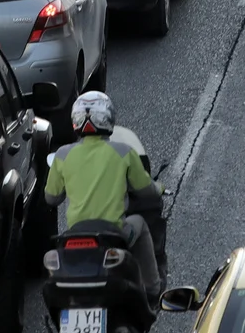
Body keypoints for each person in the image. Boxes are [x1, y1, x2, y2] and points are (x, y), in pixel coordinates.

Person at [44, 92, 163, 292]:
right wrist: (160, 188)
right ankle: (152, 288)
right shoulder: (123, 152)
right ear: (108, 118)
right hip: (114, 233)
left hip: (76, 235)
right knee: (140, 224)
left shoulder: (63, 155)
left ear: (75, 120)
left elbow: (51, 198)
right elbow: (146, 190)